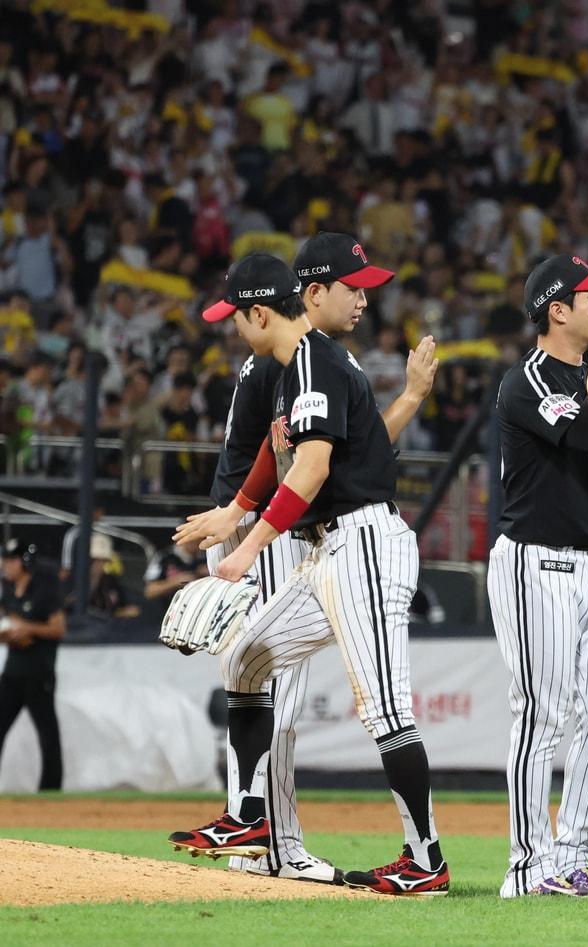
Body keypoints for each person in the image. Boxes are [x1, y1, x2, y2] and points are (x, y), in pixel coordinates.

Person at [167, 252, 447, 897]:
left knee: (385, 712)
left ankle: (425, 857)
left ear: (260, 312)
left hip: (364, 546)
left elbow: (312, 467)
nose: (238, 329)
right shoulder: (300, 364)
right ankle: (249, 817)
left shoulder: (315, 359)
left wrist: (246, 547)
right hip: (328, 551)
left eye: (240, 318)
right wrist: (235, 511)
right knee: (244, 658)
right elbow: (277, 448)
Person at [485, 253, 588, 898]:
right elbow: (586, 441)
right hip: (535, 562)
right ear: (557, 310)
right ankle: (528, 868)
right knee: (542, 716)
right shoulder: (526, 383)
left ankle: (570, 858)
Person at [0, 538, 64, 791]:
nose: (5, 565)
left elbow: (58, 629)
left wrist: (28, 629)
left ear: (24, 562)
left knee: (47, 734)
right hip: (13, 671)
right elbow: (9, 623)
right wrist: (10, 635)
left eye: (10, 560)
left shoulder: (44, 589)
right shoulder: (8, 589)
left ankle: (51, 788)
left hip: (39, 673)